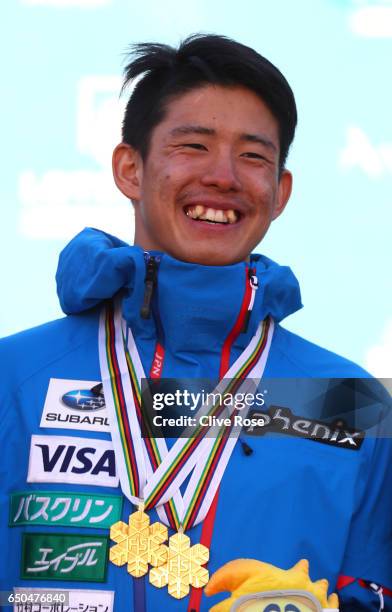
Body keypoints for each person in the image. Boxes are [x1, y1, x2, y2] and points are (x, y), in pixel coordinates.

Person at [0, 34, 391, 612]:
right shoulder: (15, 377)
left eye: (254, 156)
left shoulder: (349, 400)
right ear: (130, 169)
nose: (224, 176)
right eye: (193, 146)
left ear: (280, 191)